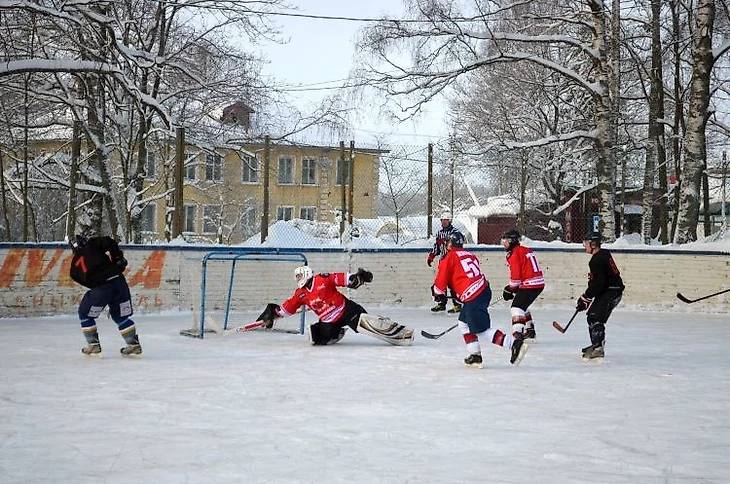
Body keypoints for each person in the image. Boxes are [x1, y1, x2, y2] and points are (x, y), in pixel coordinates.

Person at [432, 232, 528, 368]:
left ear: (450, 244)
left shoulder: (449, 257)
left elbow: (441, 280)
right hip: (483, 290)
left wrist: (438, 293)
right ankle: (475, 355)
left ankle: (514, 344)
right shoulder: (470, 255)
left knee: (481, 330)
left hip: (473, 296)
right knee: (463, 323)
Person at [257, 266, 414, 346]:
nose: (298, 278)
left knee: (365, 325)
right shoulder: (300, 294)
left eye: (300, 275)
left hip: (346, 310)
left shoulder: (322, 279)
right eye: (296, 276)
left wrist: (357, 278)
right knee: (318, 338)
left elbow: (341, 278)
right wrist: (274, 313)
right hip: (329, 321)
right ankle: (336, 332)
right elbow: (288, 308)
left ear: (307, 273)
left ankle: (397, 331)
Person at [68, 234, 142, 357]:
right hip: (119, 283)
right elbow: (110, 242)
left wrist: (101, 293)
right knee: (120, 316)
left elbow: (87, 282)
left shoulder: (73, 269)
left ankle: (93, 344)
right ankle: (133, 345)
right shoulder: (92, 244)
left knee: (84, 314)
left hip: (101, 289)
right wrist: (118, 259)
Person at [576, 231, 625, 360]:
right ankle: (596, 344)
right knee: (593, 316)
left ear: (593, 244)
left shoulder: (596, 260)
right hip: (611, 291)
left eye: (586, 243)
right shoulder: (604, 254)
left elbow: (598, 284)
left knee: (595, 317)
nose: (584, 246)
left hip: (611, 292)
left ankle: (598, 349)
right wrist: (587, 297)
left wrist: (586, 297)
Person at [500, 229, 545, 342]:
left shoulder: (514, 254)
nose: (503, 243)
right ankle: (530, 330)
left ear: (512, 241)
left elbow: (516, 277)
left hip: (530, 284)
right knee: (522, 304)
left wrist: (510, 289)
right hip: (538, 283)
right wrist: (512, 288)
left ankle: (518, 334)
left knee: (516, 307)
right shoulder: (525, 250)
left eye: (505, 241)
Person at [427, 211, 463, 313]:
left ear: (450, 221)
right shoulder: (439, 233)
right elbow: (437, 246)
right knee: (441, 282)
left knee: (452, 284)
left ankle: (457, 304)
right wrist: (432, 256)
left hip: (453, 262)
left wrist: (445, 241)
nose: (444, 222)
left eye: (446, 220)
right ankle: (441, 304)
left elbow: (459, 245)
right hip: (443, 261)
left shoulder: (456, 232)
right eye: (442, 220)